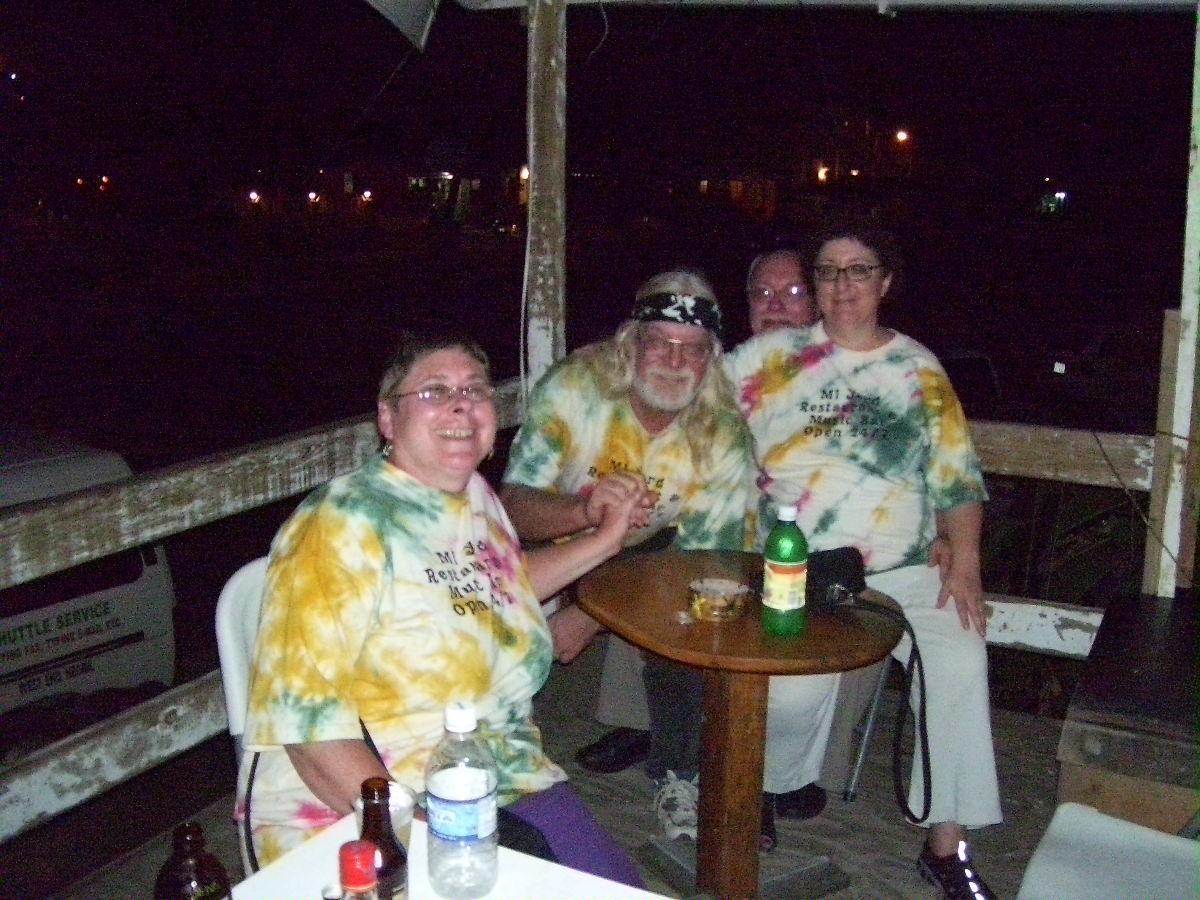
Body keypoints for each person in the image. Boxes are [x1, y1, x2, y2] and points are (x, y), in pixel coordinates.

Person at [237, 330, 644, 887]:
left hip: (501, 771)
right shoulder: (339, 524)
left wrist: (605, 540)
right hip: (363, 806)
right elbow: (313, 734)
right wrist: (429, 838)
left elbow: (495, 587)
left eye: (475, 390)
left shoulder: (475, 496)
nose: (460, 404)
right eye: (434, 391)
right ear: (388, 418)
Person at [500, 269, 838, 850]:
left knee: (692, 614)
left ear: (711, 359)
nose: (676, 361)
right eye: (660, 343)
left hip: (652, 553)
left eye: (693, 349)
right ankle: (492, 752)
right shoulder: (576, 387)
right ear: (630, 343)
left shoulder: (721, 430)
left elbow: (710, 565)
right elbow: (512, 506)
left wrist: (588, 614)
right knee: (493, 626)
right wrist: (585, 511)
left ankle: (680, 773)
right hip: (554, 533)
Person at [724, 224, 1001, 900]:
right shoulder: (768, 359)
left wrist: (964, 559)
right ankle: (762, 787)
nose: (842, 285)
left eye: (858, 270)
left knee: (962, 657)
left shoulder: (919, 370)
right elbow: (684, 399)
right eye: (828, 271)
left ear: (885, 282)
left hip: (907, 566)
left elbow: (957, 477)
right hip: (800, 563)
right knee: (792, 692)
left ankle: (946, 844)